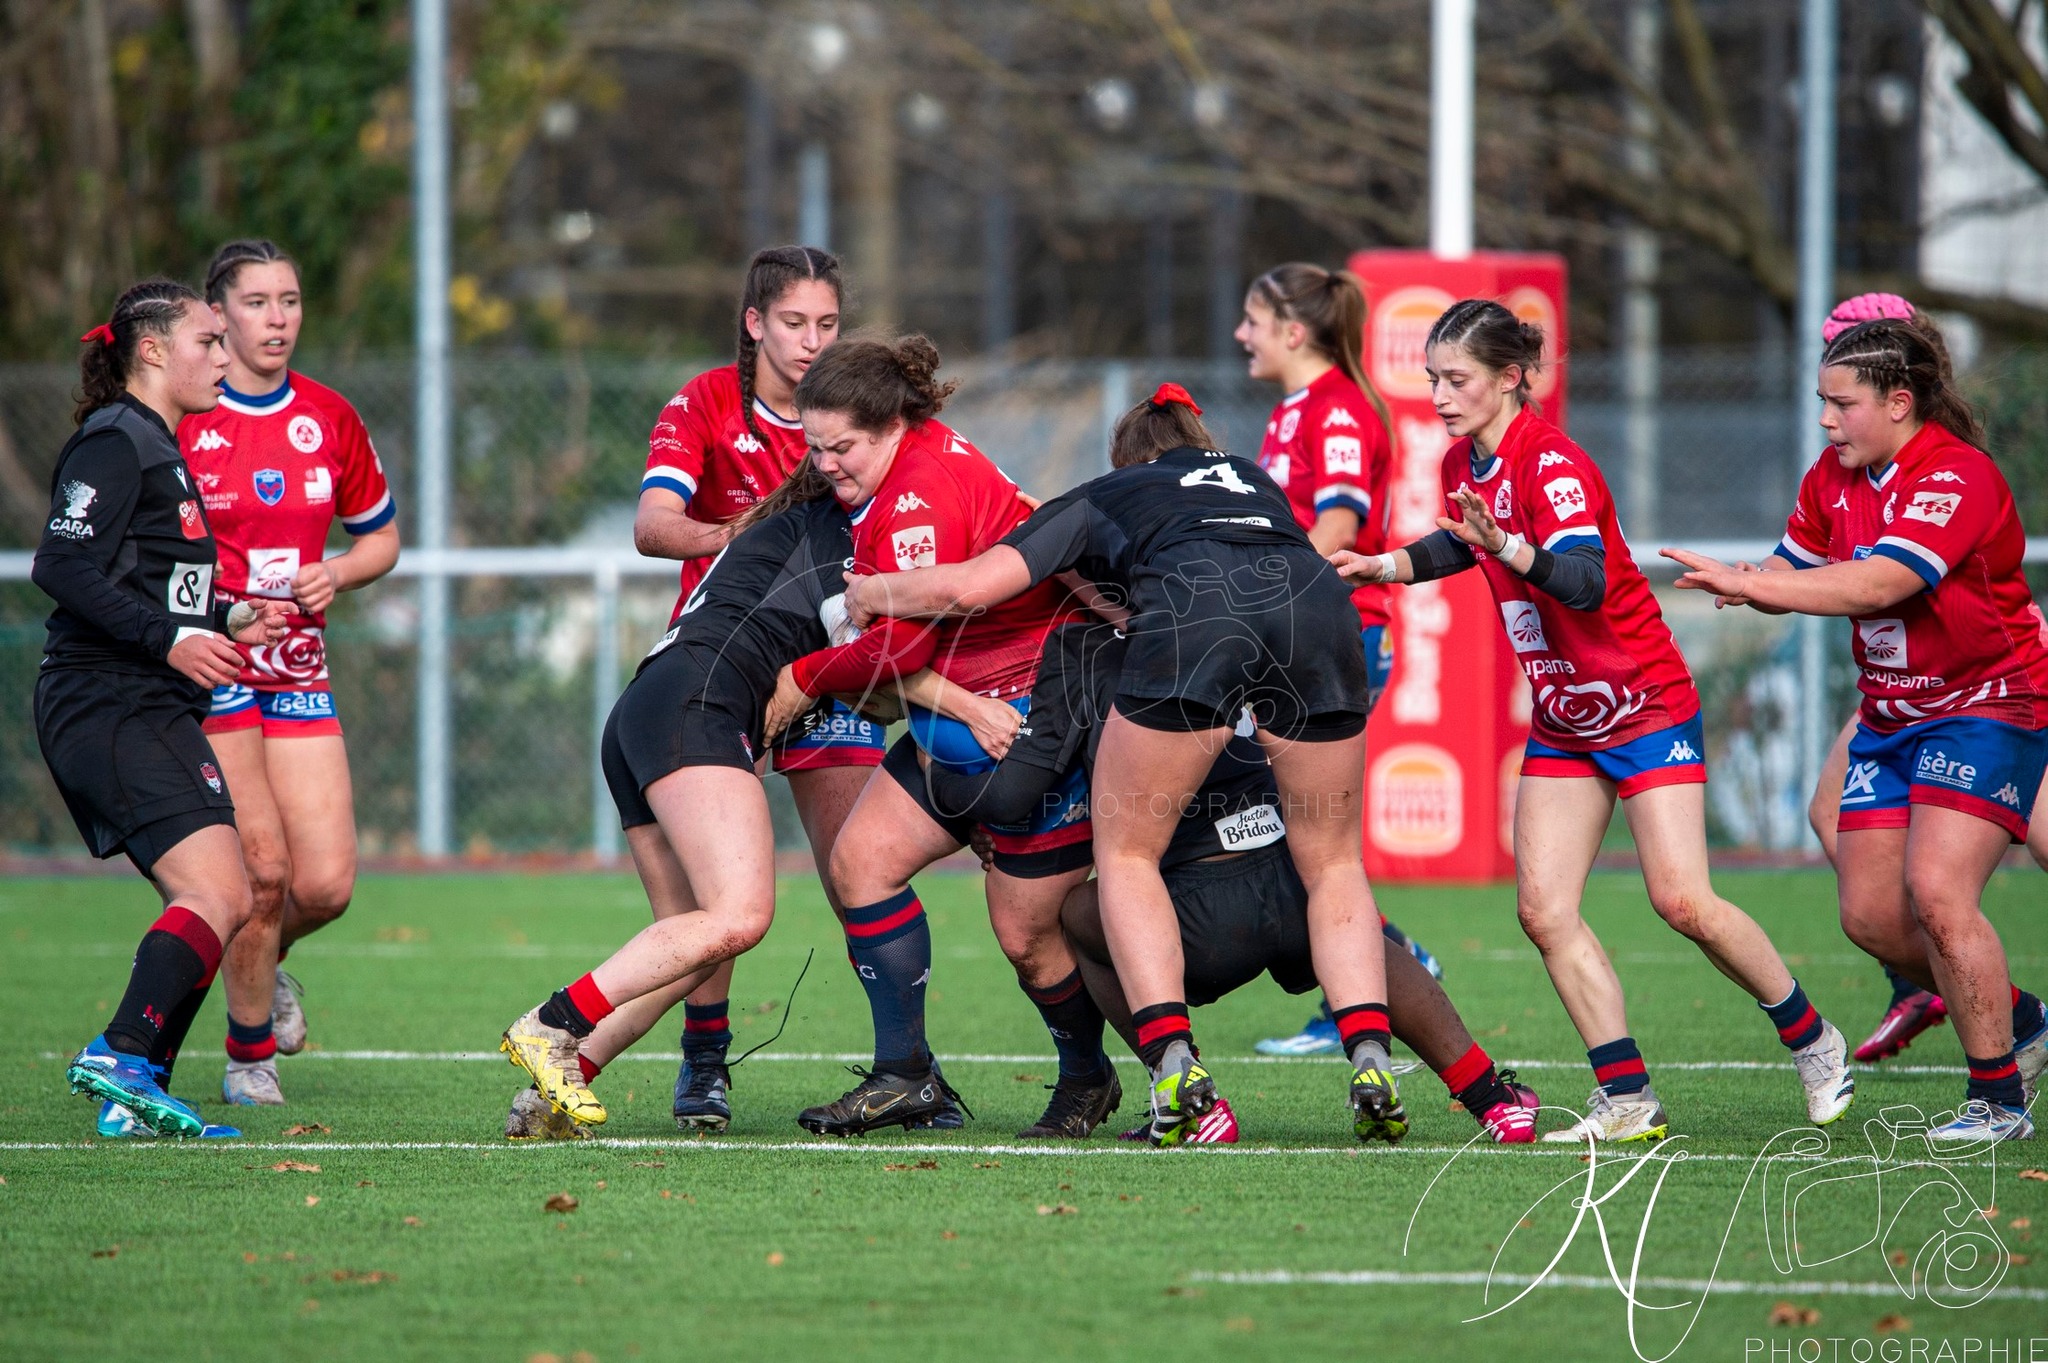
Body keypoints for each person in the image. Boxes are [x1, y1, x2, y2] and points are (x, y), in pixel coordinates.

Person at [1332, 298, 1855, 1144]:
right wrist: (1385, 566)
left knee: (1682, 900)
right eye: (1432, 378)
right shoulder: (1466, 460)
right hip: (1567, 716)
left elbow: (1583, 581)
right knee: (1543, 911)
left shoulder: (1554, 463)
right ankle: (1627, 1096)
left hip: (1643, 702)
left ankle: (1813, 1039)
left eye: (1457, 378)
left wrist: (1505, 546)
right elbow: (1463, 541)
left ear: (1511, 377)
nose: (1439, 395)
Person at [840, 384, 1407, 1146]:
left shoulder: (1106, 494)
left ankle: (1173, 1065)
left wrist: (873, 591)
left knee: (1128, 856)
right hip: (1317, 605)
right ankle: (1371, 1056)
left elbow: (968, 586)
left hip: (1199, 625)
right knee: (1334, 860)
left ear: (1128, 461)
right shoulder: (1249, 476)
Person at [925, 616, 1542, 1145]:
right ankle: (1492, 1099)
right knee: (1357, 933)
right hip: (1292, 878)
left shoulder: (1084, 648)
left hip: (1199, 915)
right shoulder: (1235, 619)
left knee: (1080, 914)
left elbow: (1016, 793)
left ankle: (1188, 1094)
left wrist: (945, 785)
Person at [1667, 312, 2048, 1143]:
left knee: (1939, 891)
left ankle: (1998, 1102)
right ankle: (2022, 1020)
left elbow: (1878, 584)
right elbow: (1792, 568)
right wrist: (1742, 578)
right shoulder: (1832, 478)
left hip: (1983, 703)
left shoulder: (1956, 474)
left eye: (1841, 404)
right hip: (1890, 715)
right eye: (1822, 401)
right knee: (1873, 917)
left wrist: (1757, 586)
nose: (1825, 420)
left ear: (1900, 402)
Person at [499, 462, 921, 1127]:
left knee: (694, 946)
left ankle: (555, 1087)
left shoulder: (790, 525)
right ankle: (554, 1023)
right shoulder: (845, 538)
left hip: (648, 704)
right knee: (741, 914)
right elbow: (879, 668)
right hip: (697, 708)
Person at [759, 335, 1104, 1139]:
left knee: (1026, 934)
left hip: (1029, 717)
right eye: (814, 446)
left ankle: (1091, 1077)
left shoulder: (916, 496)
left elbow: (900, 651)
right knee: (860, 864)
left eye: (841, 447)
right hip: (960, 715)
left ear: (891, 427)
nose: (824, 465)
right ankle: (905, 1075)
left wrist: (803, 676)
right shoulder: (888, 475)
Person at [631, 245, 883, 1131]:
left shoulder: (857, 409)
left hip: (833, 669)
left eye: (828, 323)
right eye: (794, 322)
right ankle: (704, 1063)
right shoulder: (706, 402)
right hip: (728, 665)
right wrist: (747, 533)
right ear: (754, 323)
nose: (813, 341)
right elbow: (652, 526)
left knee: (861, 869)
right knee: (718, 898)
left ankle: (904, 1063)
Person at [34, 279, 289, 1138]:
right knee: (219, 887)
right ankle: (121, 1054)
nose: (225, 356)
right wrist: (169, 639)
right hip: (107, 699)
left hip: (144, 699)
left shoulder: (157, 445)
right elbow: (61, 565)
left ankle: (136, 1090)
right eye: (209, 341)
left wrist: (223, 617)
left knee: (226, 892)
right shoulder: (116, 439)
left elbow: (149, 585)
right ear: (151, 350)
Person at [177, 240, 399, 1107]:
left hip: (299, 667)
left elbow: (381, 537)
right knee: (262, 872)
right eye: (257, 302)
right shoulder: (184, 415)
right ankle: (248, 1058)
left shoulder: (329, 415)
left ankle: (261, 965)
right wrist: (217, 609)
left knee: (326, 884)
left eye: (291, 301)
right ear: (217, 313)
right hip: (215, 667)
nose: (278, 319)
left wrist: (336, 571)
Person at [1234, 264, 1442, 1061]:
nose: (1241, 335)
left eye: (1253, 320)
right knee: (1291, 834)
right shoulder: (1295, 408)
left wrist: (1251, 598)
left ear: (1293, 331)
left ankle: (1366, 986)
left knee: (1308, 840)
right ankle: (1388, 966)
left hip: (1335, 637)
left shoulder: (1340, 409)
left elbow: (1338, 527)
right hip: (1299, 641)